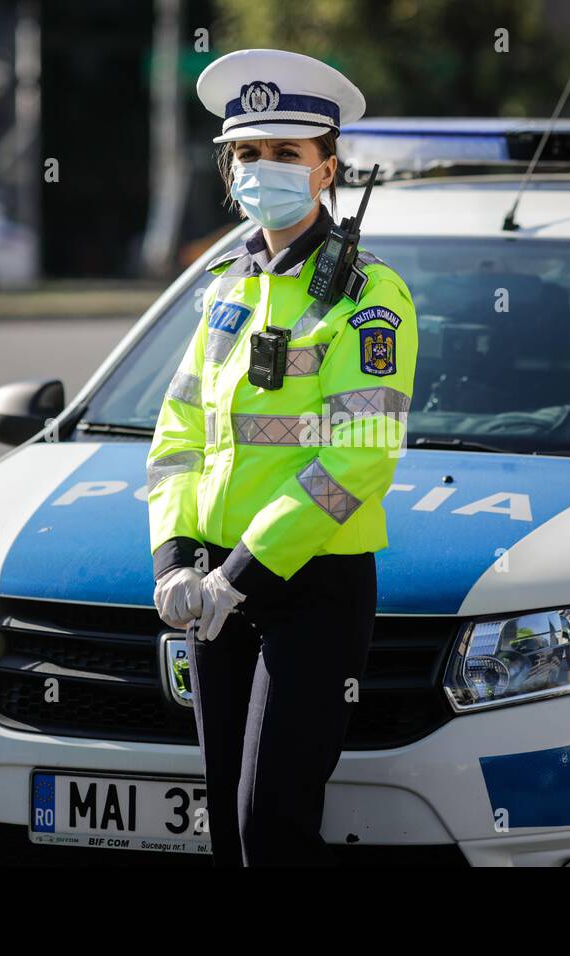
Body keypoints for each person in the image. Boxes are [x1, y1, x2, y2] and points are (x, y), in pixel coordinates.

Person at [145, 48, 417, 866]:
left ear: (327, 168)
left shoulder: (372, 297)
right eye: (248, 154)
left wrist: (239, 577)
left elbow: (357, 462)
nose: (264, 169)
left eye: (286, 153)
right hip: (209, 593)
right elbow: (179, 436)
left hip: (310, 594)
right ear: (230, 173)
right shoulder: (225, 285)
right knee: (228, 833)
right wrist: (175, 560)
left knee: (273, 827)